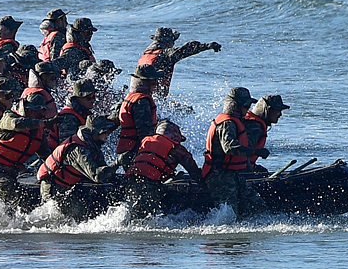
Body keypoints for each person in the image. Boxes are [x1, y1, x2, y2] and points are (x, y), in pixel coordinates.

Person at [0, 92, 52, 208]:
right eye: (39, 111)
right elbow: (16, 124)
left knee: (26, 197)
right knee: (16, 196)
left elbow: (47, 157)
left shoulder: (39, 134)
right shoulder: (9, 117)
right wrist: (43, 123)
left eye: (43, 111)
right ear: (28, 110)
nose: (42, 114)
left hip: (11, 174)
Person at [201, 87, 268, 217]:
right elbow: (229, 147)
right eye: (245, 105)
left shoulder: (234, 121)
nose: (248, 109)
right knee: (230, 213)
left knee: (257, 204)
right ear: (235, 106)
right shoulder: (227, 123)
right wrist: (255, 151)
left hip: (233, 174)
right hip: (219, 175)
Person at [37, 115, 119, 221]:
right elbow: (96, 176)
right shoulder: (78, 150)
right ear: (94, 133)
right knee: (81, 215)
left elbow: (103, 170)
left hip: (66, 187)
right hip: (52, 187)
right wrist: (118, 162)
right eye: (104, 131)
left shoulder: (93, 145)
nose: (107, 134)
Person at [123, 119, 201, 218]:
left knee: (133, 210)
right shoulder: (176, 148)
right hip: (148, 183)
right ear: (175, 136)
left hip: (131, 180)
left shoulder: (146, 141)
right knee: (145, 218)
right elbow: (194, 171)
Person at [137, 27, 221, 98]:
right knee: (188, 111)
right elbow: (186, 50)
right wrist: (208, 46)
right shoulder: (165, 55)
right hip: (152, 99)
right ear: (168, 42)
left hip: (138, 94)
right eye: (173, 41)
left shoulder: (146, 54)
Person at [115, 64, 161, 166]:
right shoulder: (141, 102)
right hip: (135, 151)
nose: (156, 85)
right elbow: (145, 134)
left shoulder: (130, 97)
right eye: (153, 82)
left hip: (127, 150)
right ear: (144, 83)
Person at [244, 94, 290, 171]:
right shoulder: (254, 127)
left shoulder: (254, 124)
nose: (280, 114)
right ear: (267, 110)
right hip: (239, 172)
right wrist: (250, 171)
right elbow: (242, 153)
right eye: (278, 111)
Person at [52, 78, 96, 144]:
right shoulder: (69, 118)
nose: (93, 100)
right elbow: (67, 146)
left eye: (94, 96)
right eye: (89, 97)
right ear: (78, 97)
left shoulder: (82, 112)